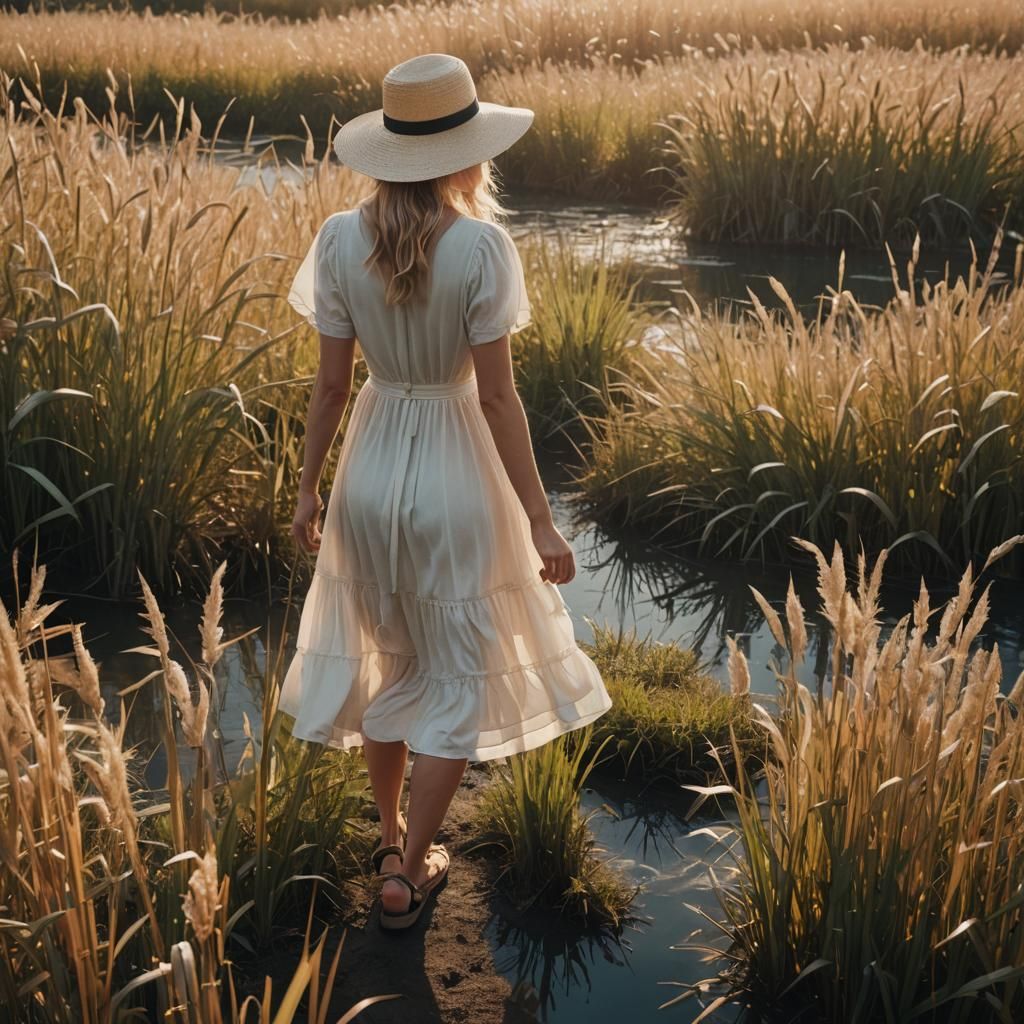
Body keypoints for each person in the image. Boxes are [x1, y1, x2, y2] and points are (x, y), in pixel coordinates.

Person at [281, 53, 613, 931]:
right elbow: (498, 397)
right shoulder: (480, 246)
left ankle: (393, 838)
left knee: (393, 658)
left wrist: (309, 490)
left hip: (370, 465)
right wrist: (541, 520)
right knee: (456, 677)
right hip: (456, 472)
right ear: (465, 154)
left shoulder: (337, 239)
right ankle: (405, 877)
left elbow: (327, 388)